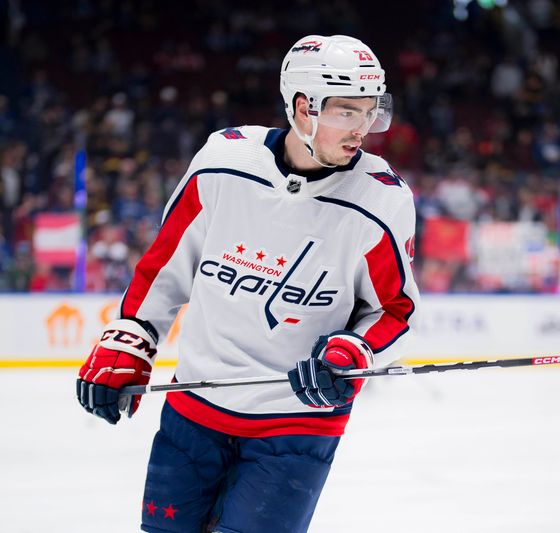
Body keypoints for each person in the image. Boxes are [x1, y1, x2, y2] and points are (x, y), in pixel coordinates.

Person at [76, 35, 420, 533]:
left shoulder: (381, 199)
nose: (363, 130)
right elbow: (166, 266)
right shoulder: (224, 162)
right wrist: (132, 336)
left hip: (297, 423)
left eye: (371, 112)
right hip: (194, 409)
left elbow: (396, 311)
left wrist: (353, 351)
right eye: (347, 112)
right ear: (303, 108)